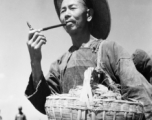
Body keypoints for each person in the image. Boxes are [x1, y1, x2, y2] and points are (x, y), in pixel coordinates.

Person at [25, 0, 152, 119]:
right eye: (63, 11)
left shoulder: (110, 50)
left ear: (89, 14)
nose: (66, 14)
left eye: (72, 8)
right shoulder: (59, 64)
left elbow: (140, 97)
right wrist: (35, 61)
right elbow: (44, 103)